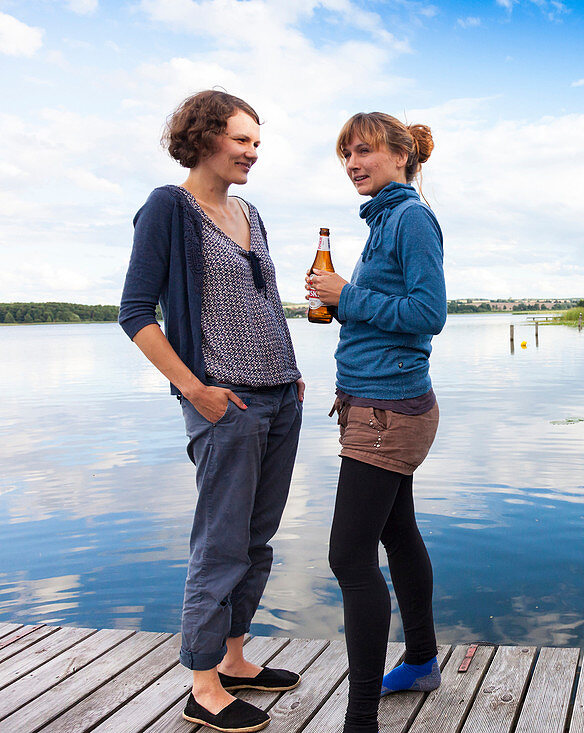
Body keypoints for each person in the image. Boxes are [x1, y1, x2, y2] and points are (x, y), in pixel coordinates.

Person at [119, 90, 305, 733]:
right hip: (226, 401)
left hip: (281, 396)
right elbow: (136, 313)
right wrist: (192, 389)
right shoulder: (169, 208)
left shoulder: (250, 211)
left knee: (256, 539)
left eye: (258, 142)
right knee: (220, 543)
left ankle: (234, 659)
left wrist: (293, 370)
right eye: (242, 140)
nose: (254, 153)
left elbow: (265, 302)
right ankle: (202, 685)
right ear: (203, 139)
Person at [307, 112, 446, 733]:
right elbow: (385, 311)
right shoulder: (384, 218)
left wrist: (348, 295)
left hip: (387, 411)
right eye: (346, 155)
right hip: (376, 402)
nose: (353, 164)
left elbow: (427, 312)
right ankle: (419, 661)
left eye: (363, 151)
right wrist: (340, 304)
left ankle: (361, 718)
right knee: (399, 534)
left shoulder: (411, 218)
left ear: (400, 156)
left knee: (348, 557)